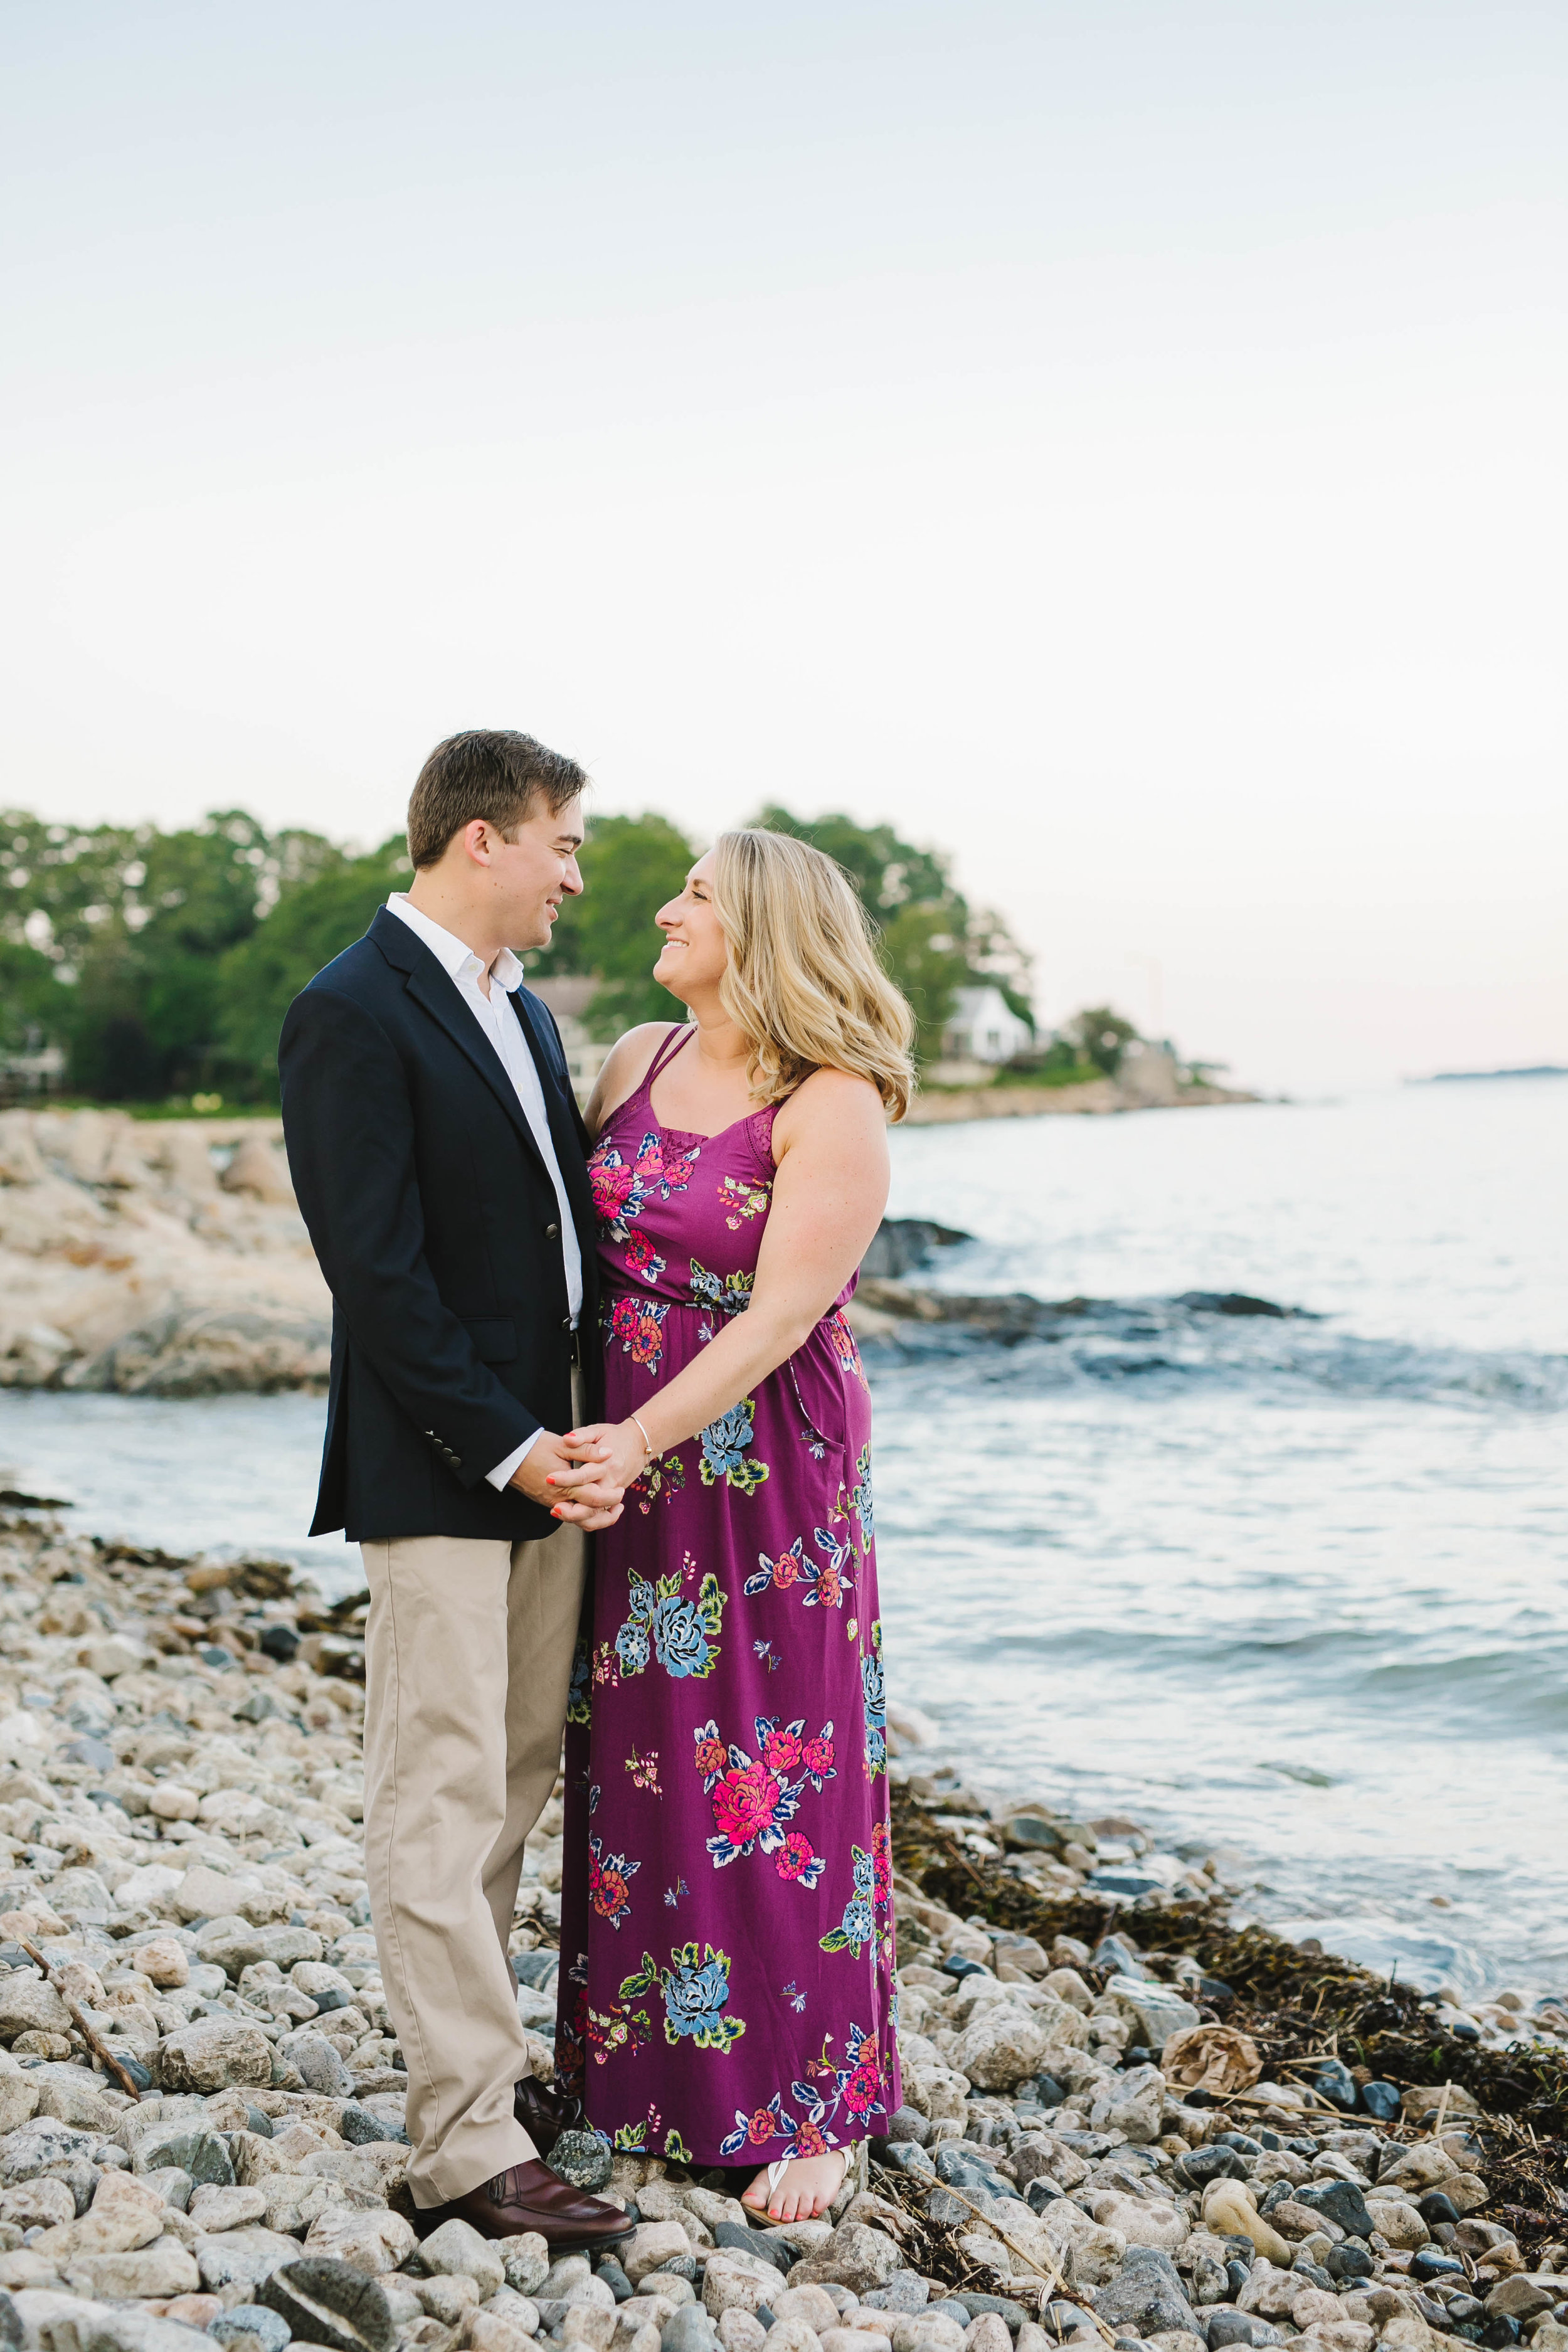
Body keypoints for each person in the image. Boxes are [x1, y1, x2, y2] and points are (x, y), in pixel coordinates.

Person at [278, 729, 631, 2250]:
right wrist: (504, 1442)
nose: (572, 875)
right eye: (561, 844)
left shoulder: (529, 1015)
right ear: (480, 839)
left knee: (509, 1776)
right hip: (441, 1454)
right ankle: (460, 2148)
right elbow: (376, 1273)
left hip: (553, 1442)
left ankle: (474, 2080)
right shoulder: (349, 1010)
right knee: (434, 1784)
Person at [551, 826, 912, 2223]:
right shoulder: (633, 1055)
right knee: (646, 1759)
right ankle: (650, 2085)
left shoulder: (833, 1101)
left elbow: (777, 1317)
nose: (662, 907)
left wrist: (634, 1437)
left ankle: (818, 2105)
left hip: (759, 1471)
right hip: (625, 1466)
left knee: (778, 1767)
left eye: (695, 893)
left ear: (761, 925)